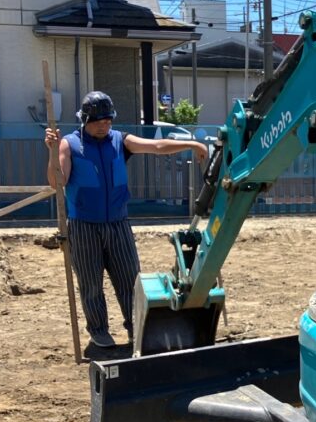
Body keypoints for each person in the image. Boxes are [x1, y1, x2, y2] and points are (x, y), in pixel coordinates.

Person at [44, 90, 209, 349]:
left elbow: (156, 147)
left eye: (108, 120)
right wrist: (53, 151)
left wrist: (191, 144)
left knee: (130, 280)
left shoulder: (121, 141)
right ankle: (99, 331)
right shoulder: (69, 144)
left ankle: (136, 327)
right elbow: (58, 182)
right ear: (85, 119)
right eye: (99, 121)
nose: (104, 125)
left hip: (118, 224)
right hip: (83, 225)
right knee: (90, 283)